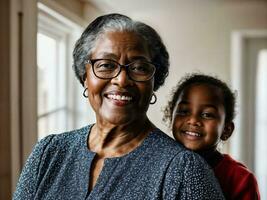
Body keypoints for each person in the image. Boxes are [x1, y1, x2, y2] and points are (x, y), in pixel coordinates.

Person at [13, 14, 224, 200]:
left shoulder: (184, 170)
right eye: (106, 65)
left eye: (139, 68)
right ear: (85, 76)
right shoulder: (48, 152)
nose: (122, 80)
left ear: (153, 82)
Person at [163, 73, 261, 200]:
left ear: (226, 130)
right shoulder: (161, 164)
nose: (193, 120)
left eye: (207, 115)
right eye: (184, 111)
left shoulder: (240, 178)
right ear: (171, 117)